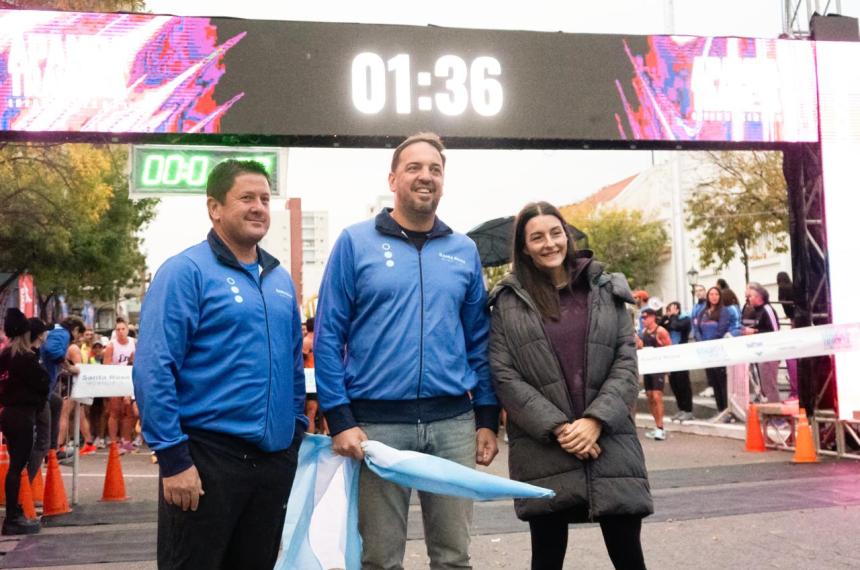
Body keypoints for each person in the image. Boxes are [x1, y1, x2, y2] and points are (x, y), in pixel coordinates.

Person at [314, 132, 500, 569]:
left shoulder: (463, 251)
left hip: (453, 423)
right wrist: (339, 417)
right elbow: (327, 335)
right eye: (414, 167)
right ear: (393, 178)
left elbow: (479, 340)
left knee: (454, 557)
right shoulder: (354, 243)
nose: (425, 176)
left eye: (435, 169)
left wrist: (487, 416)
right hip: (377, 427)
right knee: (379, 559)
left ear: (443, 181)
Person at [133, 159, 306, 569]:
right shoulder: (184, 272)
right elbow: (154, 368)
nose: (259, 207)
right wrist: (174, 460)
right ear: (214, 207)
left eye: (265, 199)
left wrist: (294, 433)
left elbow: (294, 367)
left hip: (271, 465)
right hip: (205, 463)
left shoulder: (280, 280)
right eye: (246, 197)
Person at [488, 201, 651, 570]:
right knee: (546, 557)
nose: (549, 243)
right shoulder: (507, 303)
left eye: (555, 232)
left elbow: (626, 363)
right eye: (537, 237)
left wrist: (595, 422)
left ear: (567, 235)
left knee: (629, 556)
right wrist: (560, 429)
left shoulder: (606, 289)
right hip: (545, 447)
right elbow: (504, 374)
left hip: (609, 441)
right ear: (524, 247)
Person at [0, 309, 49, 535]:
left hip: (8, 413)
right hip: (23, 414)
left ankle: (14, 512)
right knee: (17, 466)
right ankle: (12, 518)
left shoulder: (5, 356)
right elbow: (43, 383)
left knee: (15, 464)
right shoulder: (26, 359)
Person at [32, 316, 85, 474]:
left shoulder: (55, 330)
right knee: (44, 423)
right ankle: (46, 452)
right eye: (79, 335)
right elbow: (52, 350)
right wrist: (69, 367)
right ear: (75, 329)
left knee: (57, 403)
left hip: (45, 382)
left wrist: (61, 370)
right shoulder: (63, 333)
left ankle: (53, 449)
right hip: (43, 385)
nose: (77, 339)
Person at [636, 308, 672, 440]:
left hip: (658, 368)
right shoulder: (644, 332)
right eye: (642, 318)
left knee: (657, 396)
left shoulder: (661, 331)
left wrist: (667, 367)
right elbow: (640, 346)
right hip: (648, 369)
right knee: (650, 396)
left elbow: (669, 347)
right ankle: (657, 425)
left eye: (646, 318)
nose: (644, 320)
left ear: (652, 317)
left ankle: (661, 427)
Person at [694, 287, 731, 417]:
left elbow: (721, 329)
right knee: (713, 380)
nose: (714, 297)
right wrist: (700, 341)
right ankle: (719, 409)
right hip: (705, 350)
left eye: (716, 294)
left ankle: (726, 410)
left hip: (718, 349)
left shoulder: (724, 311)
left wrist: (711, 344)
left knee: (721, 381)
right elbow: (697, 328)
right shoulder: (703, 312)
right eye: (711, 294)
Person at [743, 282, 781, 403]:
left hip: (770, 352)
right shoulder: (756, 311)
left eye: (751, 296)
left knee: (770, 385)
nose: (749, 299)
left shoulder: (767, 309)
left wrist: (754, 332)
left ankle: (777, 416)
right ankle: (772, 413)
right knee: (764, 386)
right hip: (761, 352)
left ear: (759, 297)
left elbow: (774, 331)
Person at [104, 319, 137, 454]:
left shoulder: (134, 344)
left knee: (129, 413)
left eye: (123, 329)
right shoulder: (111, 346)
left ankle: (126, 441)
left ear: (127, 330)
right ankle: (113, 442)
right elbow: (106, 366)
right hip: (115, 380)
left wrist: (131, 362)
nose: (120, 332)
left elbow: (137, 363)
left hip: (129, 380)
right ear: (115, 331)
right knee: (115, 412)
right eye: (118, 329)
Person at [662, 301, 694, 422]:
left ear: (677, 309)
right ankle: (681, 408)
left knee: (683, 382)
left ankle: (688, 410)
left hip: (681, 353)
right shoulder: (670, 319)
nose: (669, 313)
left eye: (671, 310)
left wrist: (673, 317)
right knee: (674, 382)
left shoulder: (684, 319)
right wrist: (666, 317)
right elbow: (660, 325)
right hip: (670, 355)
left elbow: (676, 326)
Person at [777, 271, 799, 400]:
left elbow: (784, 303)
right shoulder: (792, 286)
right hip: (796, 314)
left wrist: (790, 316)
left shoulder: (782, 288)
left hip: (792, 315)